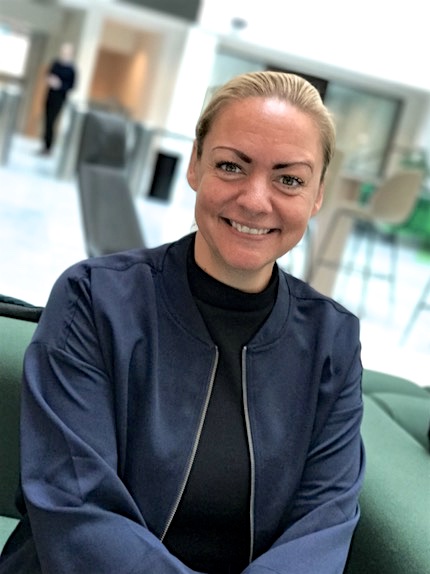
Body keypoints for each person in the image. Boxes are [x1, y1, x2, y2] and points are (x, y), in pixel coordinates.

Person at [0, 71, 365, 573]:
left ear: (317, 194)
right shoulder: (93, 298)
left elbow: (323, 524)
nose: (255, 200)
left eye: (289, 179)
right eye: (232, 166)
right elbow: (74, 503)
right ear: (195, 165)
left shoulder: (333, 340)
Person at [38, 42, 77, 156]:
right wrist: (50, 80)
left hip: (60, 98)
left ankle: (49, 147)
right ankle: (44, 145)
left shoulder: (71, 69)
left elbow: (72, 86)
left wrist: (60, 85)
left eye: (66, 51)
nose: (64, 53)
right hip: (50, 95)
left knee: (52, 121)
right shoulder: (55, 64)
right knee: (46, 120)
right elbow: (47, 74)